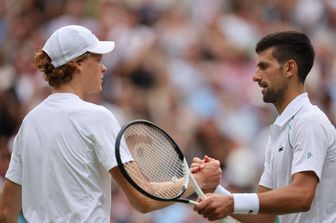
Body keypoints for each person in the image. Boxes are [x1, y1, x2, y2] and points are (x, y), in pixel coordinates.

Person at [0, 25, 222, 222]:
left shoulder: (29, 122)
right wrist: (197, 181)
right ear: (78, 64)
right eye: (97, 59)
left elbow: (6, 212)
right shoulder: (97, 116)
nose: (104, 67)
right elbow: (143, 198)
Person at [192, 31, 336, 222]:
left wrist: (231, 202)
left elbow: (302, 195)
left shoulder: (310, 121)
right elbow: (265, 216)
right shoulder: (278, 132)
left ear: (289, 68)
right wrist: (213, 189)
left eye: (263, 66)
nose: (255, 76)